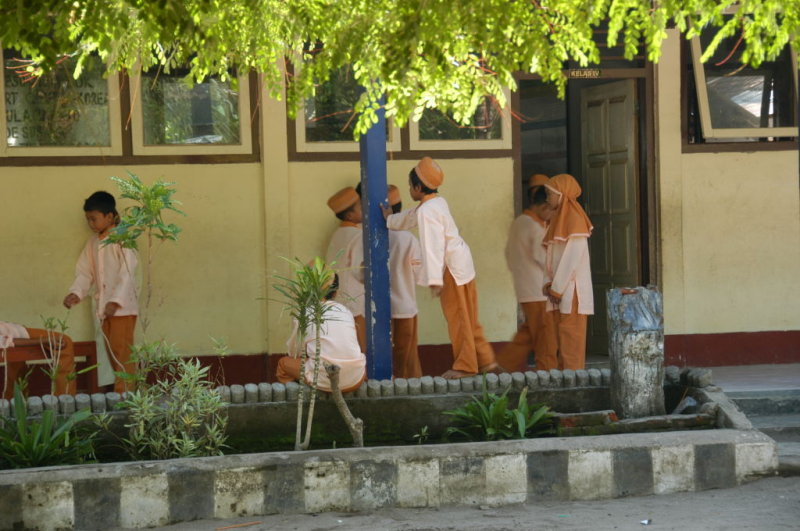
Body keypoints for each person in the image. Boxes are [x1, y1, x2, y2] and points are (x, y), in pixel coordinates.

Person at [382, 157, 498, 379]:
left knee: (459, 319)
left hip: (451, 270)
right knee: (468, 317)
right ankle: (483, 362)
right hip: (462, 264)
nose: (409, 189)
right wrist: (389, 220)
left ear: (417, 187)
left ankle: (466, 367)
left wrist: (434, 279)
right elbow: (409, 218)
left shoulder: (427, 211)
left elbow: (432, 247)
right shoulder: (436, 203)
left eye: (409, 186)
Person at [63, 191, 138, 394]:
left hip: (122, 309)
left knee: (123, 352)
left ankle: (126, 396)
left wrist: (116, 300)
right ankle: (119, 393)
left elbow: (127, 273)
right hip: (104, 309)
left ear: (110, 216)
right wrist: (76, 293)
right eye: (88, 219)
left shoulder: (124, 239)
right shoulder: (93, 243)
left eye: (94, 218)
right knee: (110, 352)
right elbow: (85, 272)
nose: (91, 223)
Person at [497, 175, 559, 372]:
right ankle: (548, 374)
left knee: (528, 334)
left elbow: (507, 253)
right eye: (552, 211)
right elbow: (543, 258)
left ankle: (501, 367)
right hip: (538, 291)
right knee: (546, 339)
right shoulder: (535, 227)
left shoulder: (519, 222)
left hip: (524, 289)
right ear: (544, 207)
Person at [276, 273, 367, 392]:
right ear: (336, 292)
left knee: (283, 364)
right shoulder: (346, 311)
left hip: (323, 379)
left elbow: (294, 352)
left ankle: (304, 400)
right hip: (356, 378)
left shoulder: (304, 313)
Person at [543, 174, 594, 371]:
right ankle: (565, 385)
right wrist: (549, 285)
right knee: (562, 344)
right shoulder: (558, 218)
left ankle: (574, 386)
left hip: (572, 293)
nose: (547, 198)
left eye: (550, 194)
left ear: (561, 195)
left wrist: (556, 288)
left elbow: (571, 260)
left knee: (571, 345)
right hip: (558, 292)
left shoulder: (574, 219)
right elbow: (551, 257)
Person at [385, 185, 423, 378]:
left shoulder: (375, 236)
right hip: (405, 306)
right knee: (406, 358)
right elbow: (419, 273)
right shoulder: (408, 239)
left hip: (382, 308)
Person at [325, 187, 366, 352]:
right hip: (354, 301)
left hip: (337, 299)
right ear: (350, 215)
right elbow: (359, 271)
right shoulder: (357, 235)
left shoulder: (337, 234)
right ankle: (362, 378)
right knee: (360, 348)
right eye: (361, 208)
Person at [0, 321, 76, 398]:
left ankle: (13, 402)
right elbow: (6, 341)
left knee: (15, 356)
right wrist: (45, 340)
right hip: (11, 335)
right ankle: (64, 400)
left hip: (13, 331)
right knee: (63, 342)